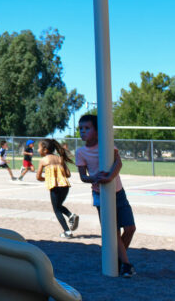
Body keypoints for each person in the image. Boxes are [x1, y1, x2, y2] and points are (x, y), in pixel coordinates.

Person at [75, 113, 136, 277]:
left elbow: (119, 162)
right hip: (99, 195)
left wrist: (110, 176)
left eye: (87, 128)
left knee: (130, 228)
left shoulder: (107, 145)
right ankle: (127, 264)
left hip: (118, 192)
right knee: (113, 231)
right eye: (80, 128)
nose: (83, 131)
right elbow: (83, 176)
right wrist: (94, 178)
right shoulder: (80, 152)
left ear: (97, 131)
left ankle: (117, 260)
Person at [35, 138, 79, 238]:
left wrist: (47, 178)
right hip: (65, 186)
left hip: (55, 187)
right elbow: (68, 174)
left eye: (39, 148)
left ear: (45, 149)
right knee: (59, 206)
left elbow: (38, 177)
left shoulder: (43, 160)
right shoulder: (60, 158)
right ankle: (71, 216)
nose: (38, 150)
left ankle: (67, 231)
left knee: (56, 209)